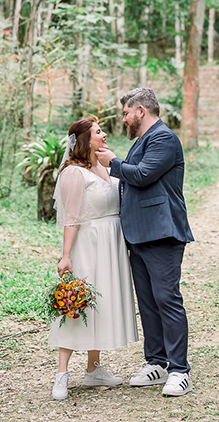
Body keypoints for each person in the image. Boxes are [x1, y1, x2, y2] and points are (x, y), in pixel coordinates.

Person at [96, 87, 194, 397]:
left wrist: (113, 162)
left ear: (141, 111)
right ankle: (157, 362)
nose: (123, 119)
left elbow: (142, 175)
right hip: (138, 234)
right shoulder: (142, 141)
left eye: (126, 112)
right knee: (149, 303)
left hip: (162, 233)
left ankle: (180, 370)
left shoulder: (164, 138)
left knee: (167, 299)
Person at [48, 118, 138, 401]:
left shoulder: (106, 166)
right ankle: (61, 373)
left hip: (111, 244)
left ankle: (93, 368)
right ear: (85, 139)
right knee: (78, 303)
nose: (105, 134)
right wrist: (65, 256)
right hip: (88, 244)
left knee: (99, 306)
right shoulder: (74, 173)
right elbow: (71, 218)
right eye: (99, 132)